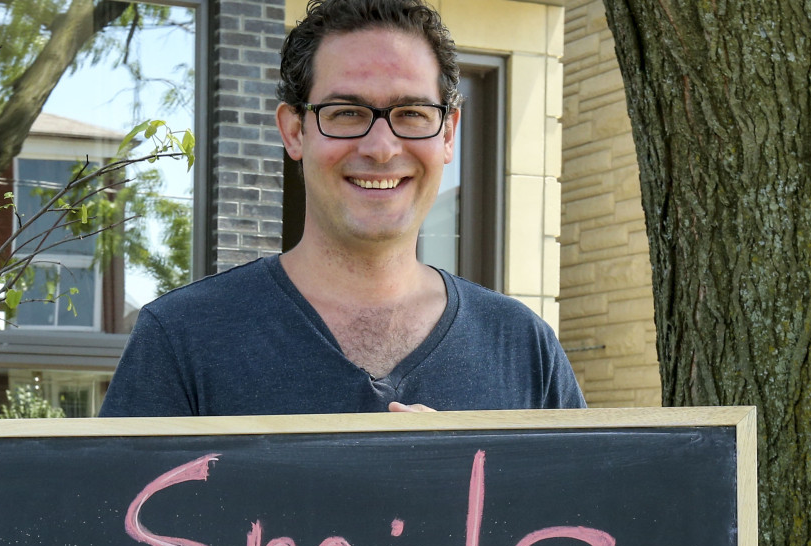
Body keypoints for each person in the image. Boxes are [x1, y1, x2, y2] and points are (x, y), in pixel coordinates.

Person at [98, 0, 585, 416]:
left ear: (449, 133)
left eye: (412, 114)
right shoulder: (182, 340)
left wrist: (450, 472)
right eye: (347, 113)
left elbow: (578, 525)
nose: (380, 147)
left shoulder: (523, 349)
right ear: (294, 131)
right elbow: (114, 524)